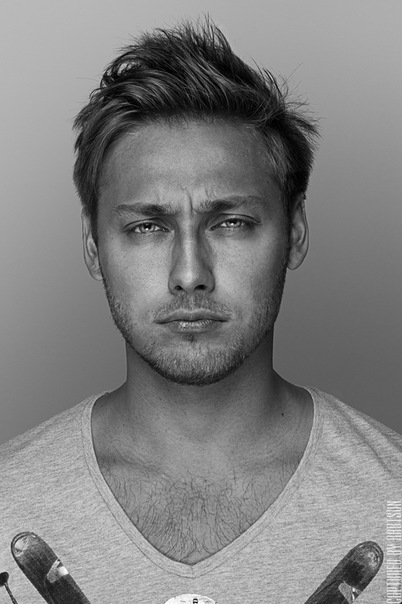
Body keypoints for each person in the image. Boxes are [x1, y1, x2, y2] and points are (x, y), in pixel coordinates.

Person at [0, 18, 401, 604]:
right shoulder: (7, 502)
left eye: (231, 223)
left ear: (295, 231)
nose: (189, 273)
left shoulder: (395, 501)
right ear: (92, 244)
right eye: (147, 226)